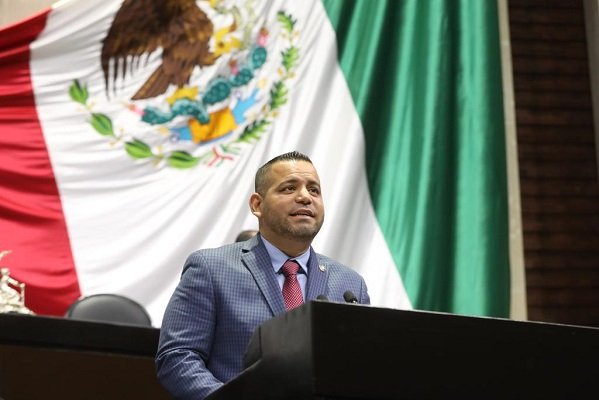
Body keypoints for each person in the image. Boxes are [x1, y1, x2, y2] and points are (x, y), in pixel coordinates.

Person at [155, 151, 370, 400]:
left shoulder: (350, 284)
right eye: (289, 188)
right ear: (257, 205)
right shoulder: (211, 268)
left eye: (314, 190)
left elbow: (360, 372)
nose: (305, 197)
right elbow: (177, 357)